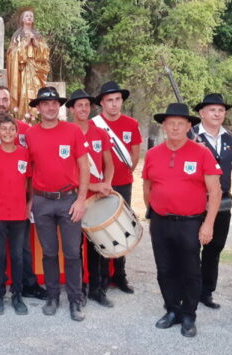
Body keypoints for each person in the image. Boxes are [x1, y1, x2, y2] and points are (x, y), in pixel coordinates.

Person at [142, 103, 222, 338]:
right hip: (160, 222)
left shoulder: (202, 153)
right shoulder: (152, 154)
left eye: (180, 123)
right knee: (165, 269)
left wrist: (208, 224)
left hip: (190, 223)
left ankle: (189, 314)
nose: (175, 127)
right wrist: (155, 211)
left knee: (190, 270)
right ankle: (172, 310)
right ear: (164, 126)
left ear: (189, 126)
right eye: (171, 123)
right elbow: (147, 186)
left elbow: (215, 192)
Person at [25, 86, 89, 322]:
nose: (50, 107)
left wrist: (81, 199)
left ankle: (75, 300)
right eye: (45, 103)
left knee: (72, 253)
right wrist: (31, 200)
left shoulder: (72, 131)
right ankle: (52, 296)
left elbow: (84, 167)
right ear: (38, 107)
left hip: (69, 200)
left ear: (58, 106)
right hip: (42, 201)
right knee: (49, 253)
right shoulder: (31, 134)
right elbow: (29, 172)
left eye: (54, 103)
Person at [0, 86, 47, 301]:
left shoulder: (24, 132)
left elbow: (32, 171)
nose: (1, 103)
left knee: (21, 252)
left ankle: (23, 288)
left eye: (4, 99)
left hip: (19, 208)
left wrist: (30, 201)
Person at [66, 89, 115, 307]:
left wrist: (107, 183)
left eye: (87, 105)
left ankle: (98, 288)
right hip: (75, 197)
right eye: (79, 106)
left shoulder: (100, 134)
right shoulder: (65, 133)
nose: (84, 109)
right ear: (71, 109)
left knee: (98, 245)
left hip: (97, 199)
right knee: (75, 247)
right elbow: (67, 172)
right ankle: (80, 289)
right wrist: (94, 185)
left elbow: (109, 164)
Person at [91, 81, 141, 294]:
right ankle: (101, 277)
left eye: (117, 100)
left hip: (123, 184)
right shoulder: (94, 124)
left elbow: (135, 153)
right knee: (100, 231)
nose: (114, 104)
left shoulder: (131, 123)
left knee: (123, 229)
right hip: (99, 186)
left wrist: (125, 173)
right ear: (102, 103)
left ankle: (119, 275)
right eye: (109, 100)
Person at [190, 93, 232, 309]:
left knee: (215, 247)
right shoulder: (189, 135)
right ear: (201, 113)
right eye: (212, 110)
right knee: (191, 248)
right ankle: (189, 289)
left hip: (222, 202)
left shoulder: (231, 140)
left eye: (220, 110)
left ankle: (206, 292)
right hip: (195, 200)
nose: (217, 113)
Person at [0, 116, 31, 315]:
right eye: (4, 129)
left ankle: (17, 294)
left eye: (12, 129)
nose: (8, 133)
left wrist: (29, 204)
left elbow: (29, 182)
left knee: (18, 256)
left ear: (16, 132)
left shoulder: (24, 154)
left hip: (19, 214)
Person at [6, 9, 50, 121]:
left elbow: (45, 53)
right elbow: (11, 54)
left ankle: (37, 116)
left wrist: (35, 43)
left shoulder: (38, 35)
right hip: (22, 70)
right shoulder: (17, 35)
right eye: (26, 16)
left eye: (31, 16)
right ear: (22, 19)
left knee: (36, 91)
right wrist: (25, 43)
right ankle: (22, 116)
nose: (29, 17)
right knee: (23, 92)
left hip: (36, 69)